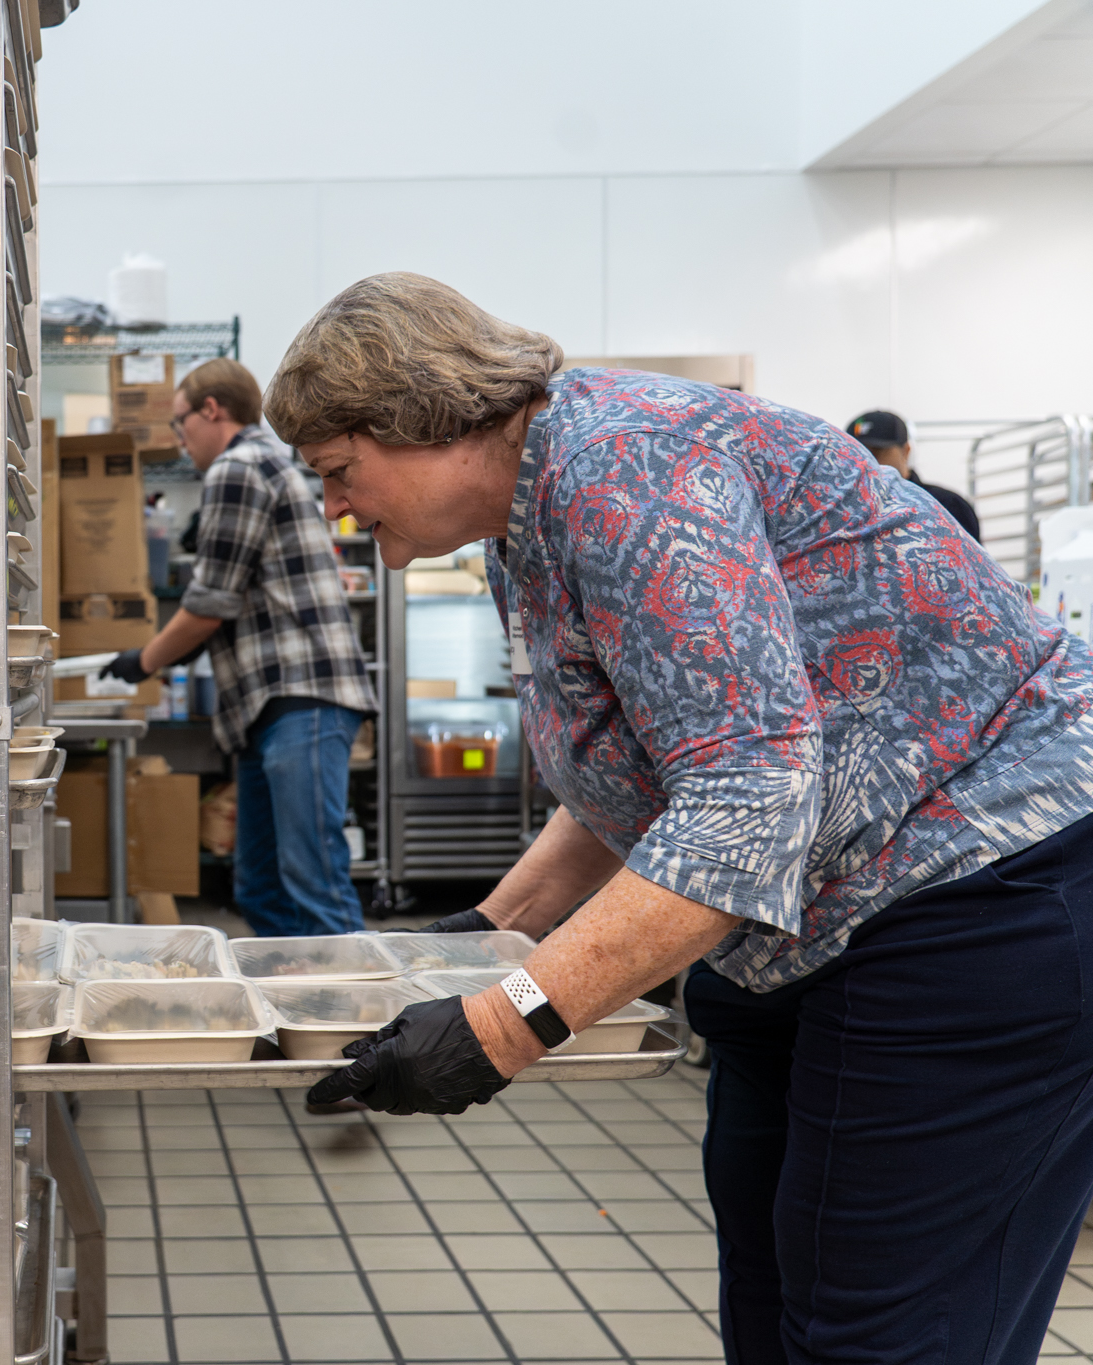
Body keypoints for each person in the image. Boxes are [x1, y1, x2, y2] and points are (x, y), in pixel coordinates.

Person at [283, 272, 1093, 1364]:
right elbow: (664, 748)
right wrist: (496, 927)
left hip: (978, 890)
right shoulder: (525, 520)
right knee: (772, 1302)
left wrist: (501, 1027)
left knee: (881, 1331)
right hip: (811, 923)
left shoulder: (629, 469)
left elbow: (744, 793)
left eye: (339, 469)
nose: (333, 504)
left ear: (423, 418)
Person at [98, 358, 376, 936]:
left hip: (302, 695)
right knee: (260, 886)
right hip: (268, 706)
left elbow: (209, 603)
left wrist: (143, 661)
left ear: (211, 410)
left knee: (313, 883)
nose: (180, 440)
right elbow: (232, 598)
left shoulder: (238, 466)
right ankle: (293, 990)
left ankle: (354, 995)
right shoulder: (261, 464)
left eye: (180, 423)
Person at [845, 408, 982, 541]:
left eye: (877, 451)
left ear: (906, 451)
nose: (867, 461)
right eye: (857, 453)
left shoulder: (945, 505)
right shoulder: (845, 511)